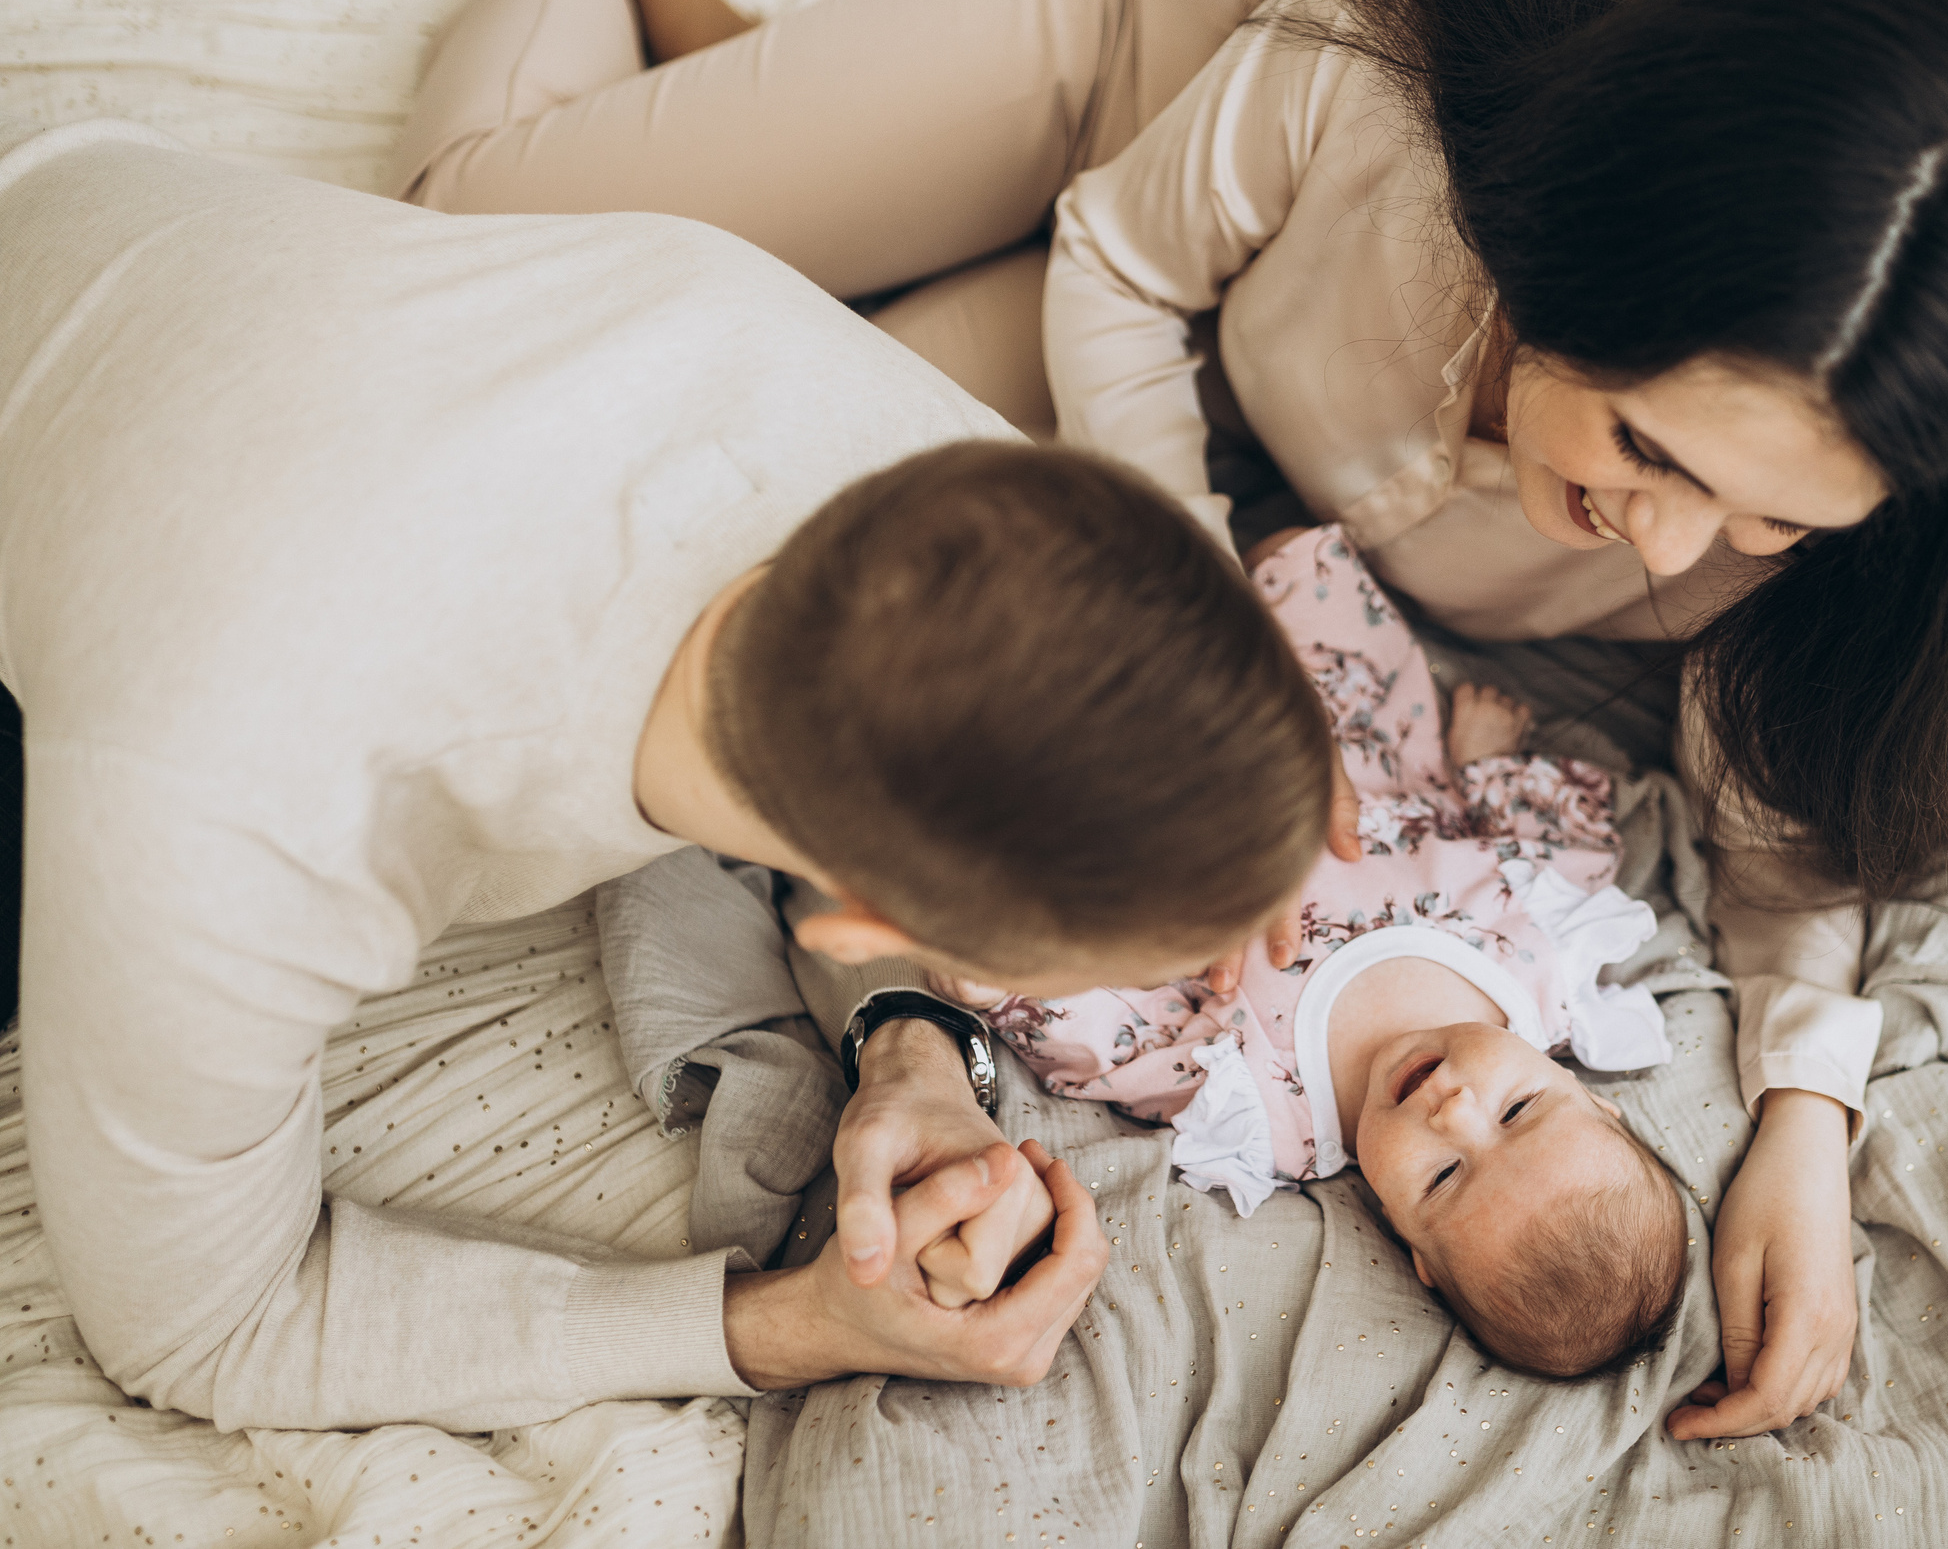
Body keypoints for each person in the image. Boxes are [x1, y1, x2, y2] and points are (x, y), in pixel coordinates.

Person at [311, 0, 1948, 1437]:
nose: (1675, 547)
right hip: (1128, 157)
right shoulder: (1381, 80)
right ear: (1575, 259)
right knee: (451, 251)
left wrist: (1806, 1115)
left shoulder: (1829, 518)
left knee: (766, 389)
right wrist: (1225, 640)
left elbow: (1785, 827)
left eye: (1774, 518)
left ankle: (710, 30)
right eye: (1644, 448)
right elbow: (1113, 264)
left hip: (1192, 406)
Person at [0, 118, 1343, 1429]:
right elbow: (207, 1324)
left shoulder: (886, 446)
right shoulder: (227, 818)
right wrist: (794, 1319)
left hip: (125, 220)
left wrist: (913, 1047)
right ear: (855, 913)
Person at [921, 526, 1687, 1380]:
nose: (1452, 1109)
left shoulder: (1267, 1120)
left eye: (1442, 1178)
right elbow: (1550, 838)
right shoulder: (1547, 962)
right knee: (1297, 563)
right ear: (1591, 1094)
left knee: (1016, 726)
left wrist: (1008, 970)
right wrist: (1487, 766)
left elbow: (1121, 1041)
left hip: (1158, 806)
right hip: (1350, 748)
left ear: (1411, 1248)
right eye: (1517, 1111)